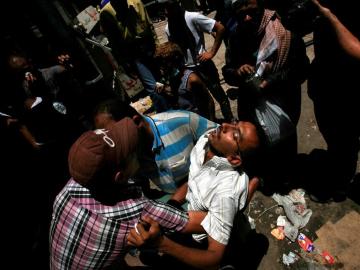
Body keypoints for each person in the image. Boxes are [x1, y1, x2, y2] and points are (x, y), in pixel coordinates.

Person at [49, 117, 207, 269]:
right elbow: (203, 223)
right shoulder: (132, 210)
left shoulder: (71, 186)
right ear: (120, 176)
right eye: (131, 151)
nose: (136, 149)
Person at [127, 120, 262, 269]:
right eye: (234, 122)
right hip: (190, 213)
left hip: (199, 239)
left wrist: (162, 244)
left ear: (234, 159)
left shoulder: (225, 194)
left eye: (235, 135)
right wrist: (171, 206)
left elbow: (214, 258)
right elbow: (193, 180)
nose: (224, 125)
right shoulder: (206, 140)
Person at [222, 0, 309, 190]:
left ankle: (286, 178)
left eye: (252, 12)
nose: (246, 18)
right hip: (251, 103)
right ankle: (265, 177)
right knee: (256, 143)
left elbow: (301, 69)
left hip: (283, 102)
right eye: (241, 14)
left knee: (283, 141)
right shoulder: (236, 37)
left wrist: (272, 81)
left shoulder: (284, 31)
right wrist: (237, 72)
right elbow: (227, 70)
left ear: (262, 9)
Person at [93, 98, 217, 194]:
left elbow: (227, 144)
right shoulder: (128, 152)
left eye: (117, 135)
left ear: (136, 122)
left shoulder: (182, 121)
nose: (114, 143)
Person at [307, 0, 360, 202]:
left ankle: (341, 185)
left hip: (349, 92)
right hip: (325, 84)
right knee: (335, 137)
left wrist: (330, 17)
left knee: (345, 141)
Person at [163, 0, 234, 121]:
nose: (166, 12)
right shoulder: (168, 28)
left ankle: (230, 119)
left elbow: (220, 28)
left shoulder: (192, 17)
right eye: (164, 9)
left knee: (218, 94)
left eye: (168, 8)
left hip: (203, 65)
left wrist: (211, 53)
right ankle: (210, 123)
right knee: (201, 101)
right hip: (187, 70)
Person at [100, 0, 169, 112]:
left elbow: (149, 25)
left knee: (162, 80)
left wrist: (158, 47)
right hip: (133, 53)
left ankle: (170, 106)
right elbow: (114, 42)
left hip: (149, 46)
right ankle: (167, 114)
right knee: (153, 88)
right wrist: (123, 63)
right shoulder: (106, 13)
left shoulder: (136, 2)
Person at [154, 41, 216, 121]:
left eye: (164, 64)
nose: (162, 68)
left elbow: (208, 101)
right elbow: (179, 97)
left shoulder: (192, 79)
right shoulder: (172, 78)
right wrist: (164, 93)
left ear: (174, 61)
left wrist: (212, 123)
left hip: (199, 121)